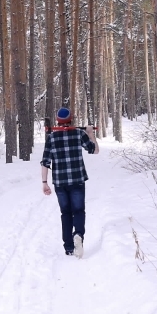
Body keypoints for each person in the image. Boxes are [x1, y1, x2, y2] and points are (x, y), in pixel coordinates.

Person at [40, 107, 99, 258]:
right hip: (77, 180)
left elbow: (45, 162)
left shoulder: (51, 138)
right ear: (71, 120)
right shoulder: (79, 134)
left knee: (65, 213)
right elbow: (95, 150)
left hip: (60, 183)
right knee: (78, 211)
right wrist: (91, 134)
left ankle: (68, 247)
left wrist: (44, 182)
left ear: (58, 121)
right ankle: (78, 234)